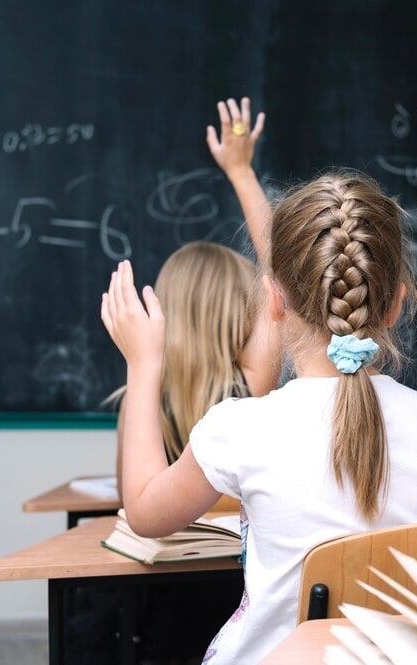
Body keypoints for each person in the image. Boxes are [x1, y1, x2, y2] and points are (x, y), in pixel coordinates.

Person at [101, 169, 417, 663]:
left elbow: (144, 513)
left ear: (275, 299)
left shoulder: (240, 429)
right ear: (395, 305)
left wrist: (143, 363)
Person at [108, 97, 281, 505]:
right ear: (244, 311)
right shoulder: (250, 389)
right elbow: (283, 270)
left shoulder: (138, 397)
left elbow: (129, 496)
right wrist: (241, 173)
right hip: (233, 568)